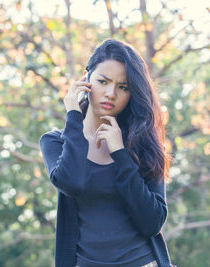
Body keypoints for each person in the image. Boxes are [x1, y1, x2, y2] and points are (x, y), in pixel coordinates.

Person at [39, 39, 175, 267]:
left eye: (123, 87)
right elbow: (72, 183)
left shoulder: (145, 145)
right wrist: (73, 116)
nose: (111, 93)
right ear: (86, 79)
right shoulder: (56, 142)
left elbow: (152, 222)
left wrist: (120, 153)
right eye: (103, 81)